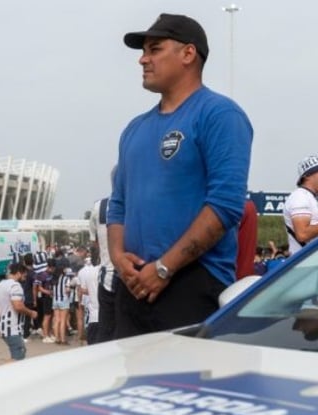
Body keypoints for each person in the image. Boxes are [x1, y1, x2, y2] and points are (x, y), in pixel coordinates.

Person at [108, 13, 253, 338]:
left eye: (155, 49)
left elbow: (226, 205)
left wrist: (164, 267)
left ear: (188, 54)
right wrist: (119, 258)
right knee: (129, 387)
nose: (143, 59)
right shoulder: (135, 128)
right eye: (143, 51)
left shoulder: (220, 115)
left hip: (191, 283)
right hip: (132, 288)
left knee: (183, 386)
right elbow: (118, 206)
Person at [0, 263, 37, 361]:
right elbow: (18, 306)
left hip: (3, 326)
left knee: (18, 353)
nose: (25, 278)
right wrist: (31, 313)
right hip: (12, 327)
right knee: (19, 355)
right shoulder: (15, 286)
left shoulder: (0, 285)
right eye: (24, 275)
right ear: (18, 273)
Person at [91, 196, 117, 343]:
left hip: (107, 276)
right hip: (132, 276)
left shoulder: (99, 206)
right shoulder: (137, 199)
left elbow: (95, 242)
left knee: (106, 332)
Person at [284, 155, 318, 254]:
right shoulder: (300, 197)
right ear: (307, 176)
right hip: (305, 264)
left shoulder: (310, 197)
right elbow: (302, 234)